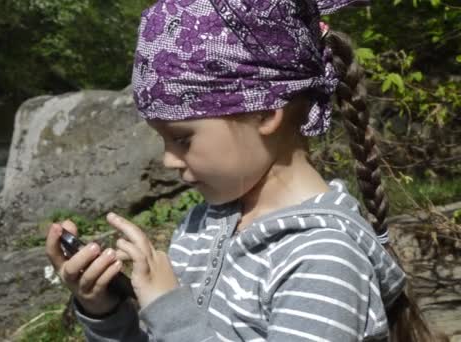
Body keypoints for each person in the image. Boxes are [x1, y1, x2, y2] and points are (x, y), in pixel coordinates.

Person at [46, 0, 446, 341]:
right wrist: (105, 311)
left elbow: (177, 328)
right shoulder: (203, 225)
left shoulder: (323, 260)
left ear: (265, 112)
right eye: (162, 139)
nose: (168, 159)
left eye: (182, 139)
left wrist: (170, 310)